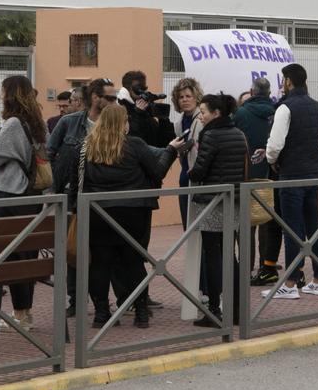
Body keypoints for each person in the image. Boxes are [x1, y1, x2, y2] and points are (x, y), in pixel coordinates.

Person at [79, 103, 175, 327]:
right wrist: (170, 151)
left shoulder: (88, 146)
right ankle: (141, 311)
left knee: (100, 263)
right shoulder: (135, 145)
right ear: (123, 124)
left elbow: (78, 182)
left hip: (98, 212)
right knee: (133, 262)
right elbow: (157, 172)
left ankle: (102, 313)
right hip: (132, 212)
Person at [0, 73, 50, 330]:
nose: (0, 96)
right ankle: (25, 311)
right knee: (28, 253)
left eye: (2, 91)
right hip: (32, 193)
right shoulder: (37, 124)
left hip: (11, 192)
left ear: (10, 95)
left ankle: (21, 314)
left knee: (13, 255)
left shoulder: (12, 124)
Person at [264, 63, 318, 299]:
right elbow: (317, 142)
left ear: (289, 81)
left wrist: (272, 159)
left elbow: (274, 146)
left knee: (292, 230)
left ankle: (291, 284)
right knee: (313, 228)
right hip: (313, 173)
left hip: (291, 175)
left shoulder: (285, 107)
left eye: (283, 79)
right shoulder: (316, 106)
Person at [187, 92, 249, 324]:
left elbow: (200, 171)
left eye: (203, 112)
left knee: (213, 256)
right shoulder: (239, 133)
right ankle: (235, 309)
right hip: (233, 201)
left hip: (212, 202)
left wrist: (188, 166)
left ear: (216, 113)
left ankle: (214, 310)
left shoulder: (211, 135)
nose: (200, 116)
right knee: (229, 255)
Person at [233, 78, 283, 287]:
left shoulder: (242, 113)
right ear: (269, 91)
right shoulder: (277, 111)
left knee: (246, 226)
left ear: (252, 91)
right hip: (271, 173)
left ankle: (245, 269)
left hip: (247, 175)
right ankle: (266, 266)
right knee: (267, 223)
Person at [167, 77, 204, 223]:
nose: (184, 100)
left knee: (199, 226)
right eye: (181, 97)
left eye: (188, 96)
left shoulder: (202, 119)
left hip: (199, 179)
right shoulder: (178, 124)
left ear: (196, 98)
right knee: (187, 224)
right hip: (184, 177)